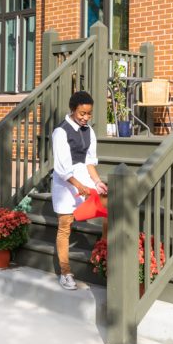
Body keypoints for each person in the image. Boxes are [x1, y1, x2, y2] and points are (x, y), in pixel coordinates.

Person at [51, 90, 108, 290]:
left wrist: (97, 182)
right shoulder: (61, 131)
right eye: (82, 113)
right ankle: (65, 272)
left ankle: (104, 254)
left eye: (89, 114)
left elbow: (89, 161)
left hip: (83, 176)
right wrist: (80, 186)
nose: (85, 117)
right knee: (65, 226)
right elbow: (62, 168)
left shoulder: (89, 131)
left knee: (107, 208)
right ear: (73, 109)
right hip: (65, 183)